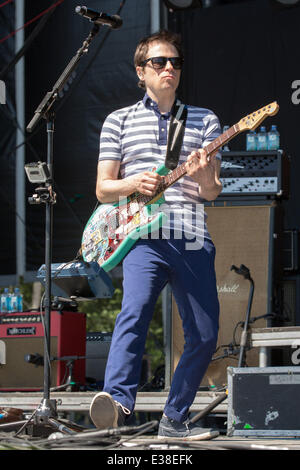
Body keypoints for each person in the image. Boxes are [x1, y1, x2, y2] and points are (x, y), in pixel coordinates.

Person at [89, 30, 223, 440]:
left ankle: (174, 418)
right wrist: (134, 183)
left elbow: (213, 191)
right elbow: (102, 188)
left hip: (191, 235)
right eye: (160, 62)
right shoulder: (119, 121)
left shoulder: (205, 120)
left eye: (175, 63)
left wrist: (204, 177)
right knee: (135, 313)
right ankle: (116, 402)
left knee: (204, 333)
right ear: (140, 71)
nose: (169, 68)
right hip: (142, 239)